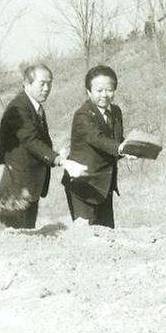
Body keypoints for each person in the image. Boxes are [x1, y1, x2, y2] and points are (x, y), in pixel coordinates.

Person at [0, 64, 65, 229]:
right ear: (26, 83)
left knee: (28, 233)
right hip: (13, 187)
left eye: (50, 83)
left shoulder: (35, 107)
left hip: (29, 186)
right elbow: (30, 140)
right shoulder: (17, 109)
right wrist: (58, 160)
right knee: (16, 239)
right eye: (42, 84)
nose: (47, 88)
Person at [62, 65, 128, 228]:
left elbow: (116, 140)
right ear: (88, 91)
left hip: (105, 184)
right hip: (84, 184)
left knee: (107, 232)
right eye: (99, 90)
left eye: (109, 90)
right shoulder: (83, 114)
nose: (105, 95)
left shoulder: (116, 112)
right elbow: (97, 139)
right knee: (88, 235)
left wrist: (131, 149)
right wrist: (120, 148)